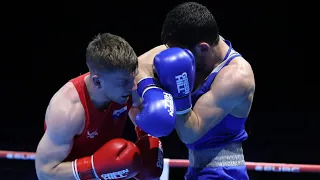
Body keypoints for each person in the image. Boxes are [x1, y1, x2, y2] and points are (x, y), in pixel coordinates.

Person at [137, 2, 255, 179]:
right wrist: (150, 90)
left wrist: (178, 92)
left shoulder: (237, 76)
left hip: (224, 173)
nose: (180, 59)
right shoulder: (190, 43)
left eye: (184, 55)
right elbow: (138, 64)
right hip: (196, 169)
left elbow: (190, 133)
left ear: (203, 47)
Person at [35, 33, 175, 180]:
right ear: (97, 82)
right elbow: (45, 172)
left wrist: (146, 137)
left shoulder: (125, 86)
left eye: (134, 78)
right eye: (125, 82)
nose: (134, 86)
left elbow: (136, 107)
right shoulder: (67, 111)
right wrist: (94, 167)